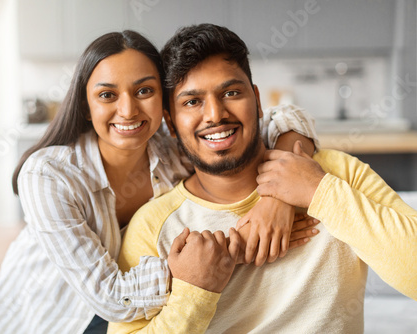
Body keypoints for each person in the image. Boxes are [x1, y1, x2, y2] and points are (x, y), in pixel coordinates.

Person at [0, 30, 319, 334]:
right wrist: (228, 253)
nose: (128, 110)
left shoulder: (174, 151)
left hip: (140, 305)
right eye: (107, 95)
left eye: (144, 90)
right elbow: (112, 299)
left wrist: (277, 196)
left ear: (165, 102)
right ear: (86, 106)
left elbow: (283, 118)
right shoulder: (49, 176)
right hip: (53, 317)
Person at [109, 23, 417, 334]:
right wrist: (195, 291)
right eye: (192, 101)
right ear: (171, 123)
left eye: (231, 92)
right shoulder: (153, 226)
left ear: (257, 102)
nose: (215, 114)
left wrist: (317, 192)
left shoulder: (336, 174)